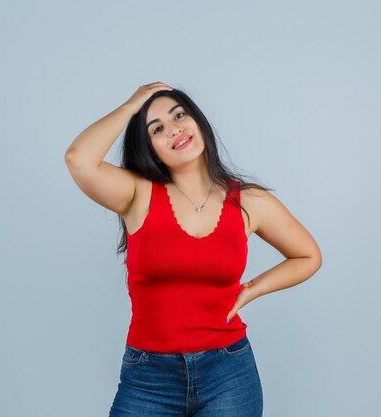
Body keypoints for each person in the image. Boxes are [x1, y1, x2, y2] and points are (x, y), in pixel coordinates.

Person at [64, 82, 322, 416]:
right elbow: (78, 160)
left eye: (179, 115)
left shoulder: (248, 201)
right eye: (157, 129)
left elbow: (308, 256)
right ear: (150, 148)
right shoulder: (136, 195)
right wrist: (132, 105)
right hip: (148, 378)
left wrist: (252, 289)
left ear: (198, 121)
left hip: (229, 373)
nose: (174, 129)